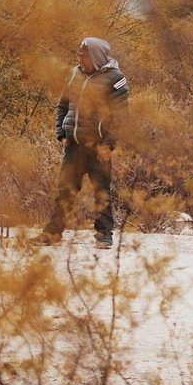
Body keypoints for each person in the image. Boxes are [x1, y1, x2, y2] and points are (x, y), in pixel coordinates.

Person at [40, 37, 130, 248]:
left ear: (96, 57)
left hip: (99, 147)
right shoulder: (74, 74)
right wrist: (61, 133)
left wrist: (108, 145)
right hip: (74, 145)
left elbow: (121, 117)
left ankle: (104, 234)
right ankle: (52, 234)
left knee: (101, 190)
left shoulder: (115, 78)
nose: (80, 60)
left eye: (84, 56)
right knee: (65, 190)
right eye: (79, 56)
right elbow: (62, 107)